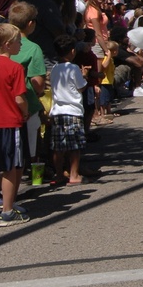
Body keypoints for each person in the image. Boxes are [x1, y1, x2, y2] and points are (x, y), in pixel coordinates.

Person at [0, 2, 47, 167]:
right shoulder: (33, 48)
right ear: (30, 24)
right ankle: (33, 171)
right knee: (21, 153)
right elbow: (37, 82)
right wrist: (40, 94)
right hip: (22, 106)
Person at [0, 23, 30, 227]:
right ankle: (8, 211)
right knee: (11, 167)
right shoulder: (15, 67)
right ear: (8, 45)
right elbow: (19, 98)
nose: (20, 45)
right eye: (18, 41)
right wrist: (25, 112)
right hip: (10, 121)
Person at [48, 35, 87, 186]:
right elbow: (81, 86)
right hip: (73, 110)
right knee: (74, 146)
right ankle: (74, 174)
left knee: (58, 146)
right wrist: (85, 76)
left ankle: (59, 174)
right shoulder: (74, 68)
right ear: (72, 51)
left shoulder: (54, 69)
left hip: (57, 110)